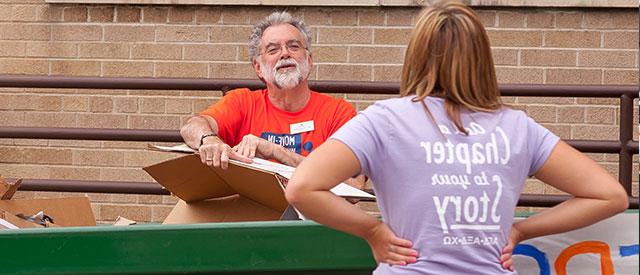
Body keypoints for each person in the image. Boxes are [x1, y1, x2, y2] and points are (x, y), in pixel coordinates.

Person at [285, 1, 629, 274]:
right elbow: (610, 195)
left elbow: (302, 187)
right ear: (483, 58)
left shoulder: (385, 120)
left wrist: (372, 231)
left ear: (416, 56)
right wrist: (522, 231)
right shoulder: (518, 127)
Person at [180, 12, 357, 175]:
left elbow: (353, 186)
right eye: (273, 50)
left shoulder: (338, 113)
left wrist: (276, 151)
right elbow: (191, 127)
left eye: (293, 46)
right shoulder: (243, 102)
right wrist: (209, 140)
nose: (285, 54)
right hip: (250, 208)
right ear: (258, 68)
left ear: (309, 60)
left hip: (311, 209)